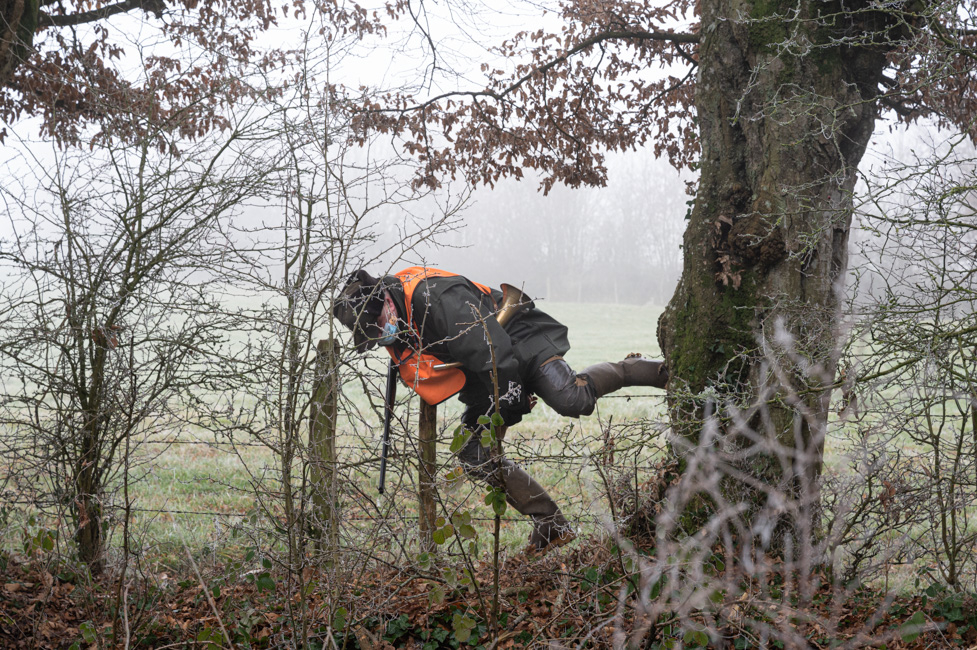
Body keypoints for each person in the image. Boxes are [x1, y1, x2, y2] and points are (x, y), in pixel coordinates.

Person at [333, 266, 668, 553]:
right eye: (371, 331)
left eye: (376, 323)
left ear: (385, 302)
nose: (379, 333)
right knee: (472, 451)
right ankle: (550, 523)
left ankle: (641, 368)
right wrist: (502, 402)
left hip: (520, 341)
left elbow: (494, 350)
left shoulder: (437, 297)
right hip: (487, 370)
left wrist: (513, 399)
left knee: (572, 399)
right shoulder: (401, 320)